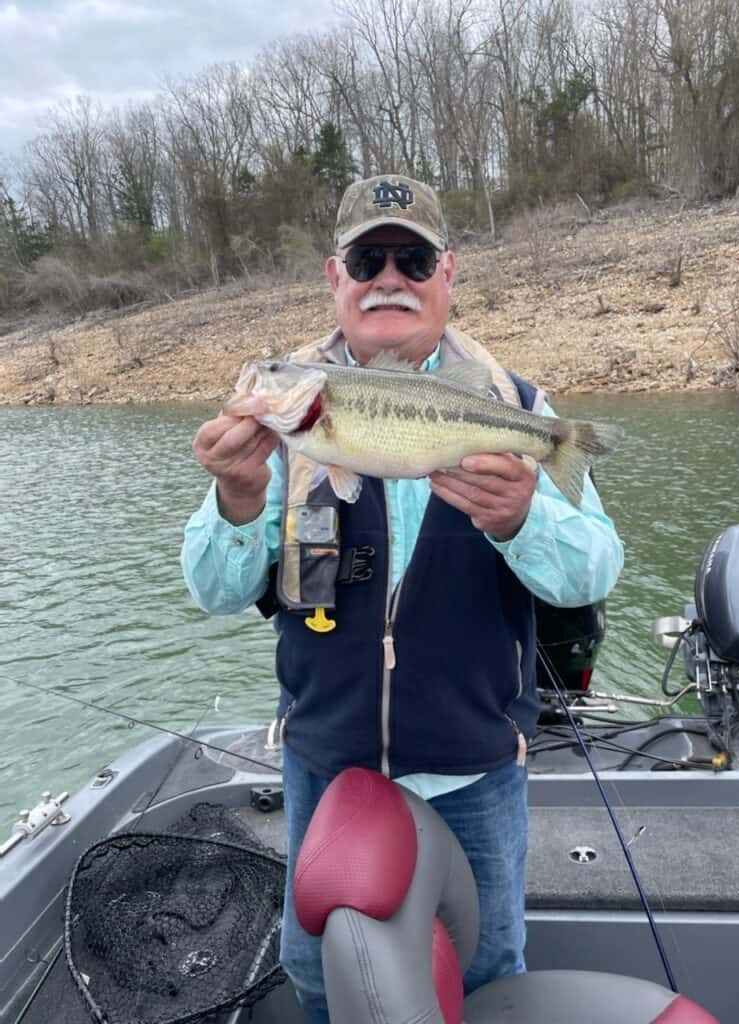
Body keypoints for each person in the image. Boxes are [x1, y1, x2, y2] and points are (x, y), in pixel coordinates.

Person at [181, 174, 624, 1022]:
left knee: (491, 968)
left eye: (413, 257)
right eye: (368, 257)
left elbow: (592, 572)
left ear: (447, 274)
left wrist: (525, 517)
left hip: (478, 768)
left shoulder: (518, 408)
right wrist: (237, 500)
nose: (391, 275)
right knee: (315, 973)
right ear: (335, 276)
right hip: (325, 765)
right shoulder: (286, 427)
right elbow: (212, 590)